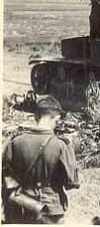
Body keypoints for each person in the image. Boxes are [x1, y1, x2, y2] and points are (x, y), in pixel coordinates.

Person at [2, 96, 79, 224]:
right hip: (50, 210)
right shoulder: (61, 145)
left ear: (36, 117)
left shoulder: (15, 142)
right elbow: (71, 182)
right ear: (56, 118)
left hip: (22, 207)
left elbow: (5, 176)